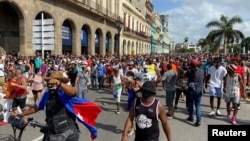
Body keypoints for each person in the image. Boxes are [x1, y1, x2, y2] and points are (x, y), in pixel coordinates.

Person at [186, 59, 204, 126]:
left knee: (190, 104)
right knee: (198, 105)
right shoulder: (202, 71)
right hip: (199, 90)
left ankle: (191, 117)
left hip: (191, 90)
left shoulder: (189, 71)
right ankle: (198, 120)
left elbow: (185, 76)